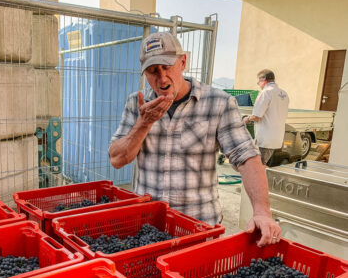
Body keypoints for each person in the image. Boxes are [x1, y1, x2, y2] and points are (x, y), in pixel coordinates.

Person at [109, 32, 281, 246]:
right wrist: (144, 122)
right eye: (153, 71)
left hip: (198, 229)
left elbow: (246, 157)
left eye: (167, 66)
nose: (162, 78)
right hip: (147, 229)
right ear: (144, 73)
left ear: (182, 62)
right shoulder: (137, 104)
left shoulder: (218, 102)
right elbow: (117, 159)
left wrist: (262, 211)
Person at [243, 69, 289, 165]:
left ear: (263, 80)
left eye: (258, 82)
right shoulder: (284, 94)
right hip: (276, 138)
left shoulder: (266, 92)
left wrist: (246, 119)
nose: (258, 84)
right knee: (262, 165)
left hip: (265, 138)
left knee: (257, 167)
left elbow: (256, 116)